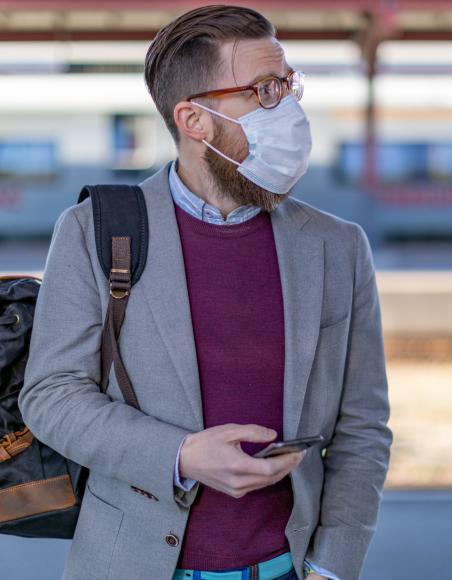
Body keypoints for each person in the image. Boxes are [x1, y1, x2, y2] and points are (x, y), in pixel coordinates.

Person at [18, 5, 393, 580]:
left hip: (289, 569)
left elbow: (362, 425)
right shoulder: (95, 230)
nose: (289, 108)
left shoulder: (337, 246)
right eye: (264, 91)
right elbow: (50, 395)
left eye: (289, 85)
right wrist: (181, 455)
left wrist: (333, 565)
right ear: (194, 120)